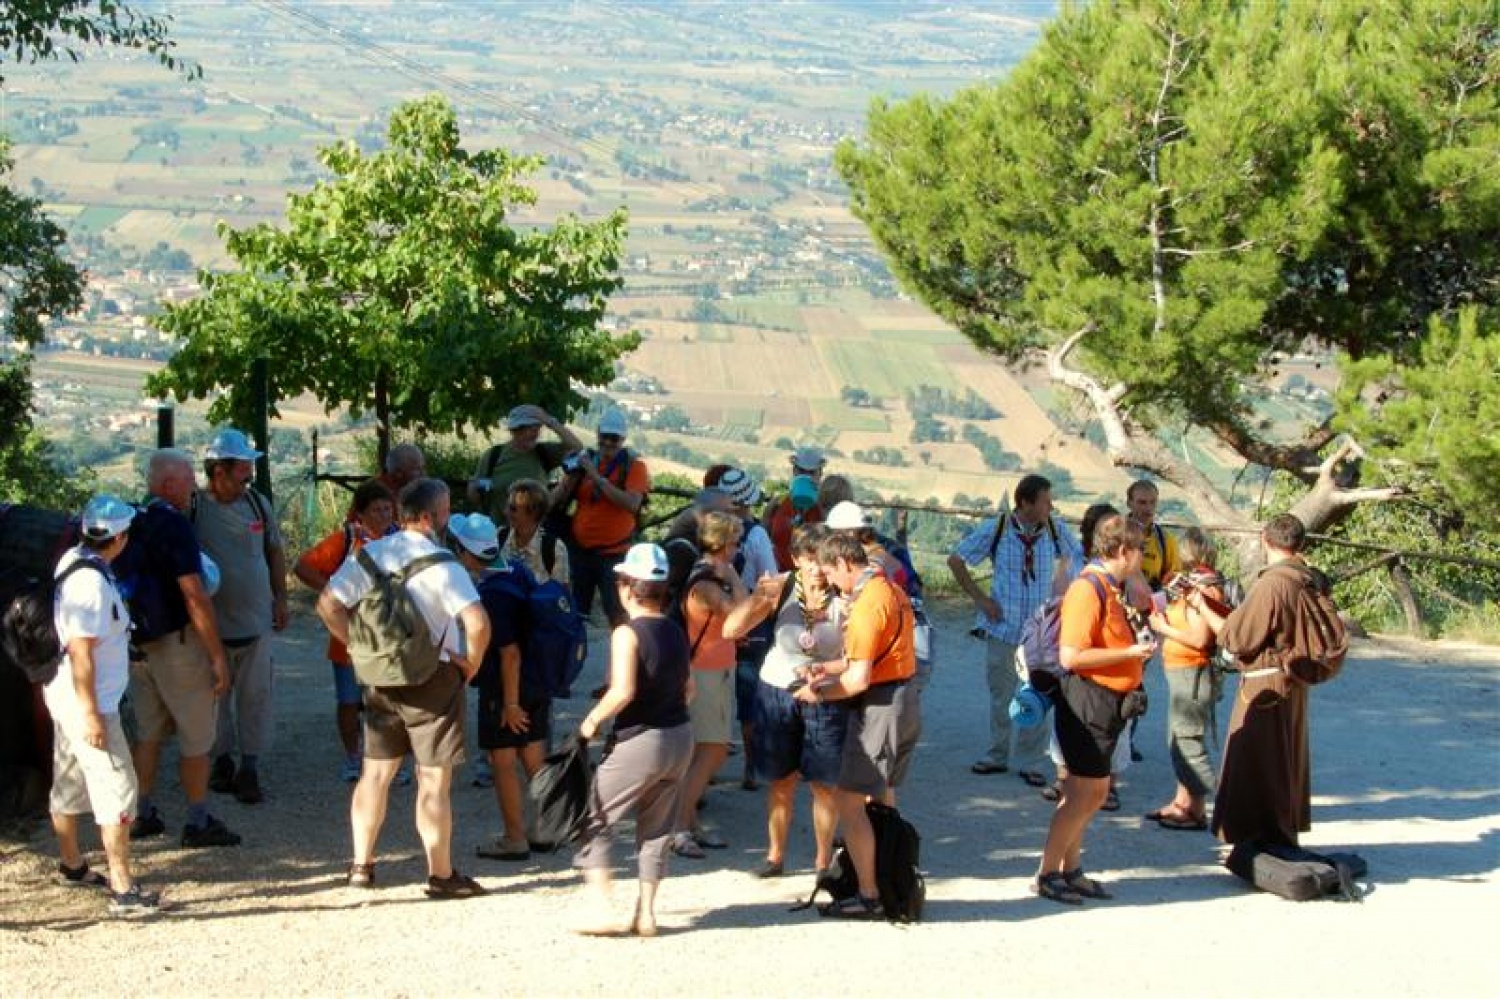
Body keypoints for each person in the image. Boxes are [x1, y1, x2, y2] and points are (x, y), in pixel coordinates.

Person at [318, 478, 491, 898]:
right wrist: (472, 664)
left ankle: (361, 866)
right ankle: (441, 873)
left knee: (375, 773)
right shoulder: (445, 564)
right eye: (447, 509)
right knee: (433, 780)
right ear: (431, 517)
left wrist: (359, 646)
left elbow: (327, 604)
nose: (449, 517)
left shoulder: (372, 554)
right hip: (434, 678)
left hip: (380, 677)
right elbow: (479, 623)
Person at [792, 532, 919, 919]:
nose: (829, 581)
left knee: (849, 800)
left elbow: (858, 680)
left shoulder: (866, 606)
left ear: (847, 564)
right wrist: (825, 668)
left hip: (880, 706)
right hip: (902, 697)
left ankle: (869, 894)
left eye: (831, 571)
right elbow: (864, 658)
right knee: (879, 797)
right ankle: (887, 879)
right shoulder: (887, 589)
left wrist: (819, 693)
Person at [117, 449, 239, 848]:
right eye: (188, 480)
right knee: (196, 736)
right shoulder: (174, 525)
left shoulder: (131, 519)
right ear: (169, 484)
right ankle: (198, 819)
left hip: (140, 643)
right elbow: (194, 593)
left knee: (148, 732)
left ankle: (141, 811)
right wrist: (217, 655)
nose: (194, 487)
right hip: (179, 644)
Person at [46, 495, 161, 916]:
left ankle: (72, 863)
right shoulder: (92, 584)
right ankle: (123, 888)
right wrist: (92, 712)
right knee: (117, 790)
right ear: (121, 538)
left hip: (65, 699)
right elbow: (81, 651)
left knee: (70, 780)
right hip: (90, 705)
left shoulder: (74, 561)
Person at [572, 544, 694, 937]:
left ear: (627, 588)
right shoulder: (676, 630)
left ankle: (601, 907)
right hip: (680, 737)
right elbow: (689, 689)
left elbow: (622, 690)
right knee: (656, 830)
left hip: (641, 738)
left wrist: (590, 721)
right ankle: (647, 915)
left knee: (598, 817)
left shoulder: (627, 633)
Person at [1033, 514, 1154, 905]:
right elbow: (1071, 655)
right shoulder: (1088, 588)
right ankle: (1049, 873)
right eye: (1140, 551)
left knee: (1091, 793)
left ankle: (1070, 869)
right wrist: (1130, 652)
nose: (1143, 559)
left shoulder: (1110, 586)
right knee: (1083, 794)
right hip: (1086, 702)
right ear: (1122, 550)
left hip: (1105, 704)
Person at [1192, 513, 1321, 848]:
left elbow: (1238, 638)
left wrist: (1202, 608)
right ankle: (1277, 833)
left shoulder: (1273, 583)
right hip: (1292, 680)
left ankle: (1260, 839)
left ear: (1266, 539)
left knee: (1257, 762)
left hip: (1266, 686)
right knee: (1281, 761)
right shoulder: (1307, 577)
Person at [948, 474, 1082, 785]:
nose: (1051, 506)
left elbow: (1078, 557)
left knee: (1037, 693)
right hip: (1003, 627)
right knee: (1001, 694)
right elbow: (957, 560)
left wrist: (1065, 596)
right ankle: (997, 754)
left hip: (1039, 634)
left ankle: (1031, 762)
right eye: (1046, 501)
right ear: (1026, 502)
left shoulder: (1055, 530)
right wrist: (980, 599)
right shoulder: (997, 529)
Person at [669, 512, 779, 858]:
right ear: (721, 543)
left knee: (704, 751)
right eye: (733, 542)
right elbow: (739, 621)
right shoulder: (705, 585)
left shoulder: (715, 576)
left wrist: (741, 585)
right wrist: (759, 597)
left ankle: (689, 823)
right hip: (704, 673)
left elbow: (741, 615)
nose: (737, 549)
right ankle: (679, 827)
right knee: (712, 749)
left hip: (717, 669)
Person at [449, 513, 552, 864]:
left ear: (466, 552)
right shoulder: (517, 570)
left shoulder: (492, 594)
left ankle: (514, 838)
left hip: (506, 687)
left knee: (503, 760)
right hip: (537, 681)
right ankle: (545, 828)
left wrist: (509, 704)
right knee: (534, 755)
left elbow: (508, 654)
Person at [194, 428, 289, 806]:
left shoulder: (257, 504)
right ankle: (221, 761)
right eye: (243, 469)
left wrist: (280, 598)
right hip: (212, 626)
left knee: (256, 696)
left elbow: (275, 552)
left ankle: (249, 767)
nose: (249, 476)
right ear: (219, 470)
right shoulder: (194, 507)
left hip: (255, 622)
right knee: (215, 697)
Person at [749, 525, 847, 880]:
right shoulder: (783, 586)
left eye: (824, 560)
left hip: (827, 695)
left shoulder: (845, 592)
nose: (819, 569)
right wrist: (758, 600)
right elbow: (733, 629)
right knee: (781, 781)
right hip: (778, 687)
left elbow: (856, 652)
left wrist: (824, 678)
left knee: (824, 785)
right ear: (795, 559)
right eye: (810, 560)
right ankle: (774, 856)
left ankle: (823, 863)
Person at [294, 479, 397, 782]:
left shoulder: (400, 539)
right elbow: (302, 567)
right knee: (349, 701)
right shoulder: (345, 540)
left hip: (388, 636)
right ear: (360, 514)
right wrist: (335, 593)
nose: (384, 516)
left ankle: (386, 757)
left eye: (387, 509)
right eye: (376, 510)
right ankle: (353, 756)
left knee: (386, 700)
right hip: (347, 636)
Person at [1146, 526, 1226, 830]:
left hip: (1192, 671)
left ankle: (1221, 803)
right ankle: (1185, 805)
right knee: (1177, 737)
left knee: (1188, 740)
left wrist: (1162, 627)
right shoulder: (1194, 585)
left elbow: (1198, 637)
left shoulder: (1203, 588)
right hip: (1184, 670)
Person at [551, 408, 649, 629]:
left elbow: (632, 503)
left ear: (622, 439)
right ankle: (574, 655)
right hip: (580, 550)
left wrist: (595, 476)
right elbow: (562, 498)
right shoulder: (588, 460)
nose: (608, 443)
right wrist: (569, 477)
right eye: (604, 437)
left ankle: (624, 654)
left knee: (617, 612)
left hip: (613, 553)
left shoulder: (634, 466)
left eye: (614, 438)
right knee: (576, 610)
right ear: (597, 435)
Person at [715, 466, 776, 790]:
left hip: (717, 617)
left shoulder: (714, 531)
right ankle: (752, 767)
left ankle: (708, 759)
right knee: (750, 696)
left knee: (715, 688)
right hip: (751, 619)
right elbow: (770, 580)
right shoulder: (756, 535)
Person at [470, 405, 585, 521]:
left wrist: (550, 422)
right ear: (515, 430)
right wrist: (476, 488)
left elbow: (578, 448)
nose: (536, 434)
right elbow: (474, 495)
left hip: (533, 533)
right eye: (531, 429)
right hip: (497, 532)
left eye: (538, 428)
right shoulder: (493, 455)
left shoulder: (543, 452)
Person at [497, 478, 570, 589]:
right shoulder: (499, 536)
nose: (505, 511)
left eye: (512, 508)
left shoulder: (554, 548)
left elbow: (561, 595)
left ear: (533, 511)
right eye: (507, 506)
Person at [764, 446, 827, 570]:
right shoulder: (778, 503)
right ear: (794, 471)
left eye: (812, 472)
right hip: (778, 573)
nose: (807, 476)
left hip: (809, 576)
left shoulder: (824, 507)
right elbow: (764, 535)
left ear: (820, 474)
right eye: (802, 471)